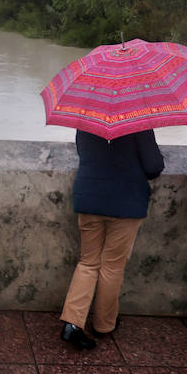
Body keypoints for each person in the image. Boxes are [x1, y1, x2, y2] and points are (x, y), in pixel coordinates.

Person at [59, 127, 165, 350]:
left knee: (88, 262)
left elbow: (85, 153)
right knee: (112, 266)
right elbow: (153, 167)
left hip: (89, 197)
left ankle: (72, 324)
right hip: (126, 201)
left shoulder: (88, 119)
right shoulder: (138, 123)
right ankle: (104, 324)